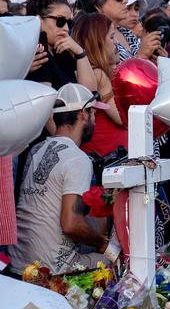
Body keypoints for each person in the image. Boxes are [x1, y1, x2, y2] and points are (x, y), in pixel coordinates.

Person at [9, 84, 112, 274]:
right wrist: (103, 243)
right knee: (114, 261)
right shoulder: (78, 159)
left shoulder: (36, 149)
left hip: (19, 264)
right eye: (94, 113)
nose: (95, 120)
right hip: (51, 270)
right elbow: (71, 224)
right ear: (83, 114)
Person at [25, 0, 97, 92]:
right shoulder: (37, 50)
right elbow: (45, 97)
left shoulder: (62, 50)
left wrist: (79, 52)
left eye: (69, 22)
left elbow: (90, 90)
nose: (66, 28)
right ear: (39, 19)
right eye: (60, 21)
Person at [75, 0, 160, 63]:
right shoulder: (92, 36)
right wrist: (141, 56)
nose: (125, 1)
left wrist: (153, 62)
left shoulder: (126, 32)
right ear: (98, 4)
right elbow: (108, 75)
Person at [74, 13, 128, 157]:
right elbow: (124, 119)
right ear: (97, 42)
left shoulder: (97, 72)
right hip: (105, 160)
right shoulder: (97, 74)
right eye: (111, 37)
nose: (117, 42)